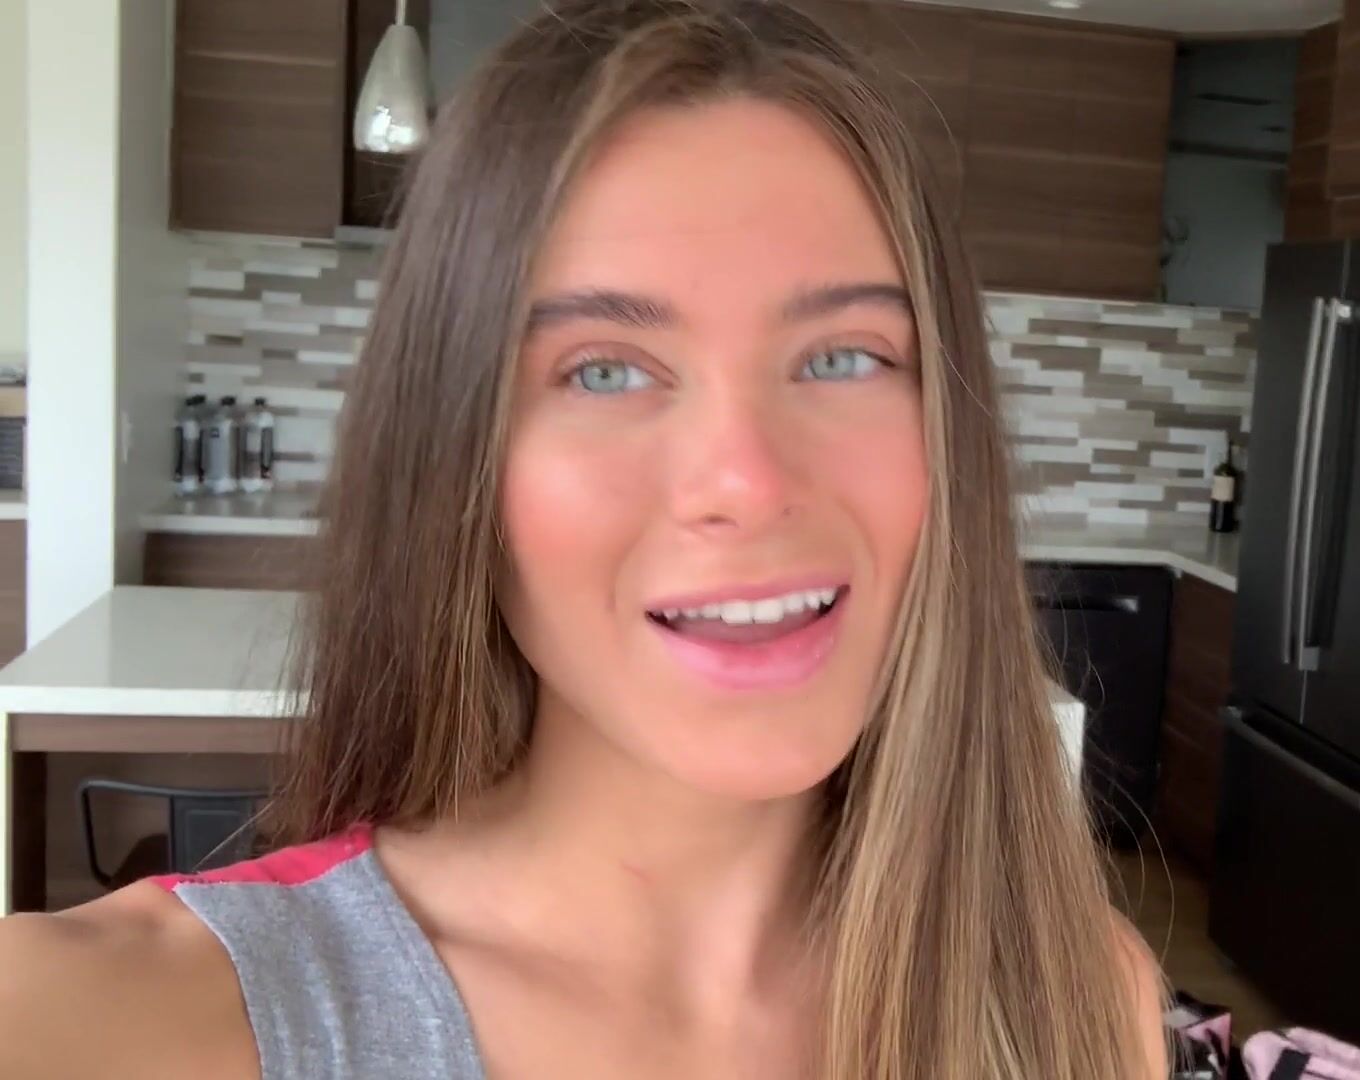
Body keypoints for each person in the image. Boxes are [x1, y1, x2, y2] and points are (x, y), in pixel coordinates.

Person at [0, 1, 1169, 1077]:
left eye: (844, 356)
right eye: (604, 371)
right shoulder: (98, 1023)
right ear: (452, 456)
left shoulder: (1078, 1003)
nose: (746, 483)